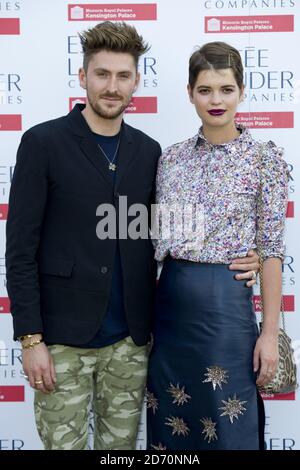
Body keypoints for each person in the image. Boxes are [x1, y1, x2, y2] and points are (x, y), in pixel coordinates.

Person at [6, 22, 259, 450]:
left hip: (130, 341)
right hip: (61, 340)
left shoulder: (149, 152)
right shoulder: (43, 143)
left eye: (123, 76)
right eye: (102, 74)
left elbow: (168, 233)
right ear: (83, 77)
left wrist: (239, 255)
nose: (112, 86)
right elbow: (20, 251)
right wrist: (31, 339)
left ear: (136, 82)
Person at [147, 42, 288, 451]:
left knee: (231, 428)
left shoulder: (264, 161)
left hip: (227, 313)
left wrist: (269, 334)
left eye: (226, 89)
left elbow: (272, 250)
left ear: (242, 92)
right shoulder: (170, 159)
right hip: (170, 313)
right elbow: (159, 241)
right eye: (205, 89)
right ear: (190, 92)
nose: (216, 100)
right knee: (171, 426)